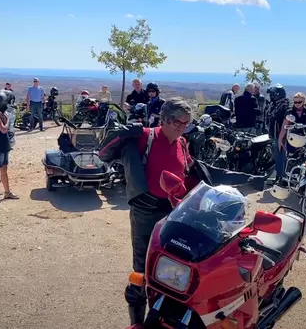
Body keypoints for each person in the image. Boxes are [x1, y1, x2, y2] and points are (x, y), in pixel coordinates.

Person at [97, 97, 264, 327]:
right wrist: (120, 134)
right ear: (163, 118)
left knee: (184, 268)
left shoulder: (182, 144)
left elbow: (201, 172)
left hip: (176, 213)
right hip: (146, 213)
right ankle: (137, 323)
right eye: (178, 122)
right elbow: (103, 153)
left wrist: (250, 180)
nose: (182, 126)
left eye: (186, 123)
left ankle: (172, 313)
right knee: (142, 271)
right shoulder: (143, 137)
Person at [276, 92, 306, 181]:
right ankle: (289, 178)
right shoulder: (289, 112)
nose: (297, 104)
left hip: (304, 138)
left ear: (303, 101)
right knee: (291, 158)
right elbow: (284, 127)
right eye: (295, 102)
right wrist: (280, 140)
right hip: (292, 139)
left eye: (299, 102)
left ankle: (304, 180)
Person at [266, 84, 290, 181]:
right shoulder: (276, 104)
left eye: (272, 94)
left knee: (280, 157)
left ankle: (280, 178)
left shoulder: (283, 106)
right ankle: (279, 176)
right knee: (277, 156)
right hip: (275, 135)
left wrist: (280, 138)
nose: (270, 96)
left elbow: (277, 118)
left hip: (280, 136)